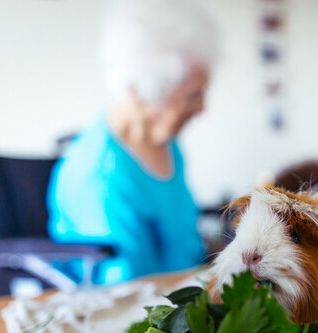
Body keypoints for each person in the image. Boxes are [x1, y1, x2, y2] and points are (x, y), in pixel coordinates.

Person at [47, 0, 218, 285]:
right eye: (192, 96)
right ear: (141, 93)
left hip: (187, 293)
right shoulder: (99, 173)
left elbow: (186, 246)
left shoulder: (168, 147)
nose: (203, 108)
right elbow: (129, 289)